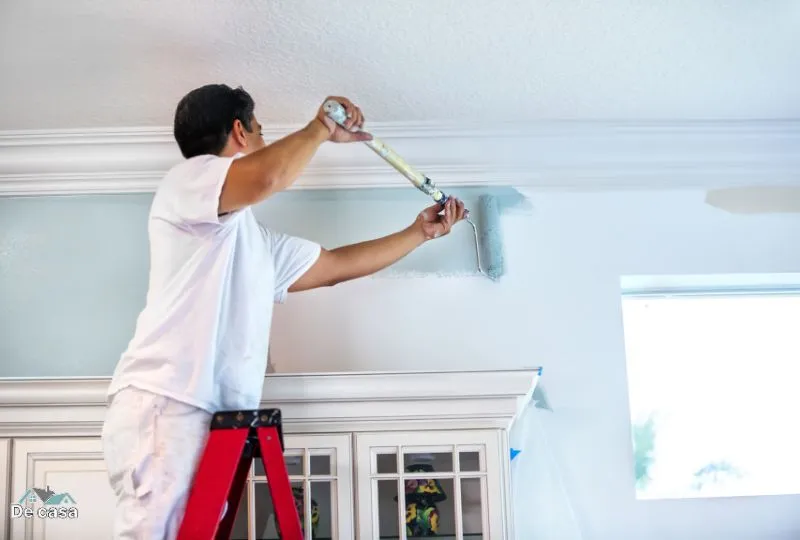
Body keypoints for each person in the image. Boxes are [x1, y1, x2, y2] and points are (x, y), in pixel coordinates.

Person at [100, 84, 466, 539]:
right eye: (259, 130)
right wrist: (320, 128)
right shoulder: (187, 181)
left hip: (209, 417)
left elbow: (334, 267)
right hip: (168, 401)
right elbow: (267, 178)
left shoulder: (252, 243)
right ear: (240, 132)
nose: (263, 140)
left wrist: (419, 233)